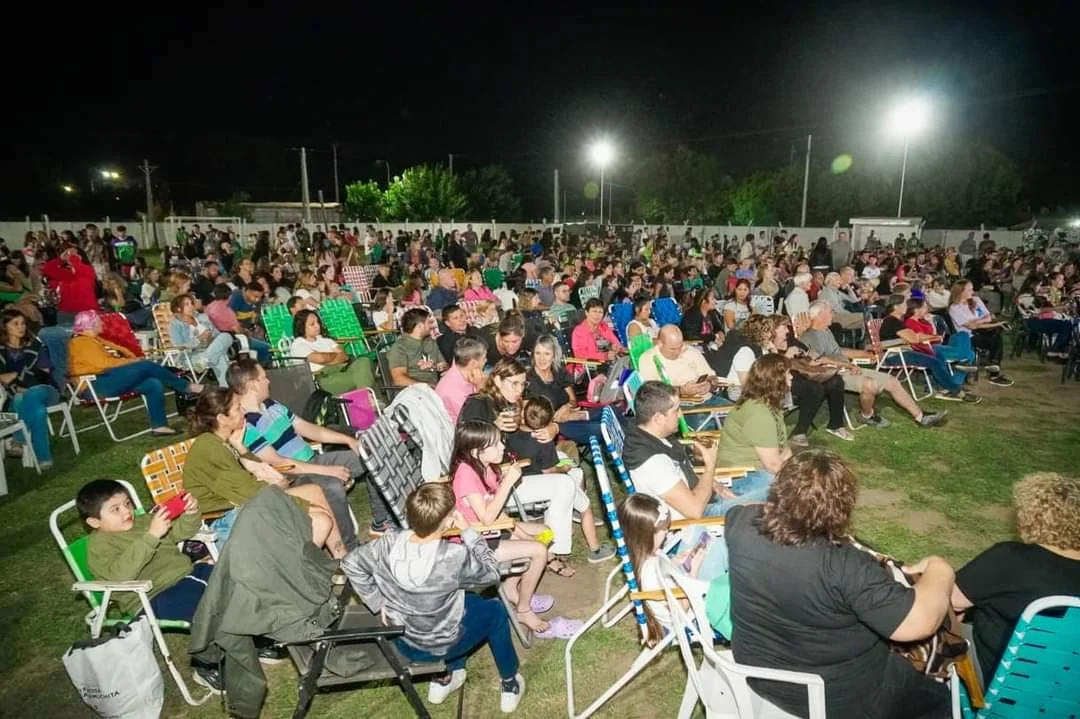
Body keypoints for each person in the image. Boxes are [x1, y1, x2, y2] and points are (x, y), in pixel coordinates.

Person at [726, 450, 954, 719]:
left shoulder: (739, 525)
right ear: (842, 508)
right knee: (940, 700)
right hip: (839, 698)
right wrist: (941, 569)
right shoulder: (846, 567)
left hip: (757, 672)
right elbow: (919, 622)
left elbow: (750, 511)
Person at [343, 482, 526, 712]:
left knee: (466, 602)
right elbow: (491, 573)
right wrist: (469, 532)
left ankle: (444, 678)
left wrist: (377, 602)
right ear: (449, 521)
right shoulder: (452, 556)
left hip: (403, 640)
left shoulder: (386, 543)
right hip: (442, 645)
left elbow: (350, 563)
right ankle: (510, 683)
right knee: (496, 610)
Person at [228, 358, 391, 545]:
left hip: (314, 461)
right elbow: (279, 463)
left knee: (370, 455)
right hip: (294, 476)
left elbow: (309, 429)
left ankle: (380, 521)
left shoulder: (271, 405)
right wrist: (326, 470)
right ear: (253, 385)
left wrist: (348, 440)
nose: (268, 381)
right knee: (331, 487)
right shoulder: (246, 424)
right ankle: (350, 548)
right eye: (264, 378)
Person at [181, 386, 346, 555]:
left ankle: (342, 559)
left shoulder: (227, 440)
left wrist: (242, 449)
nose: (243, 410)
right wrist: (278, 485)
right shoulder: (209, 448)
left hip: (245, 505)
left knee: (314, 493)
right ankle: (302, 571)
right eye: (238, 407)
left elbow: (257, 475)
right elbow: (249, 493)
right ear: (222, 418)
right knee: (319, 520)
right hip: (224, 519)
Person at [458, 359, 589, 572]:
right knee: (563, 484)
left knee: (568, 467)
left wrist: (552, 428)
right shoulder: (478, 404)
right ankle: (553, 553)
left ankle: (566, 524)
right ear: (498, 380)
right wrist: (493, 426)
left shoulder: (507, 402)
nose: (520, 390)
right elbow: (466, 444)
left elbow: (526, 424)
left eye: (523, 385)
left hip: (509, 468)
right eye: (515, 384)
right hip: (491, 486)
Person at [952, 472, 1080, 683]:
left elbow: (949, 600)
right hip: (1065, 695)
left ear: (1030, 517)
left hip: (998, 685)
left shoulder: (1011, 560)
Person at [450, 420, 555, 634]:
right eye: (495, 444)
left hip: (494, 529)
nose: (502, 447)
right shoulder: (466, 475)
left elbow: (498, 512)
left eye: (500, 442)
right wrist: (507, 483)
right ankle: (524, 610)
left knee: (544, 532)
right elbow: (487, 518)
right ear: (477, 451)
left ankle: (510, 588)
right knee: (539, 550)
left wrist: (520, 532)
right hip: (475, 542)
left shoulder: (487, 467)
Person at [621, 381, 768, 520]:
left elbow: (685, 475)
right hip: (704, 516)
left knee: (770, 480)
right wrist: (710, 465)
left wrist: (716, 486)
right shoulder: (653, 462)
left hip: (707, 495)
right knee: (776, 495)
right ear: (658, 418)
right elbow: (695, 510)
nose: (680, 415)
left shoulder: (652, 434)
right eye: (676, 410)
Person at [800, 301, 946, 429]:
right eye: (830, 312)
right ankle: (867, 415)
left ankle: (921, 416)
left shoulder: (826, 331)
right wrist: (849, 366)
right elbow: (820, 359)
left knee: (892, 381)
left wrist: (865, 354)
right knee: (870, 385)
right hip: (834, 375)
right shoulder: (809, 336)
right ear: (819, 315)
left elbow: (839, 351)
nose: (833, 314)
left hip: (847, 368)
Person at [79, 478, 208, 621]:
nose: (127, 511)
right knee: (210, 604)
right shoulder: (100, 545)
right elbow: (119, 576)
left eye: (127, 503)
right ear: (94, 522)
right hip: (154, 597)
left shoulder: (145, 521)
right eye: (116, 509)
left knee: (231, 576)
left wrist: (191, 513)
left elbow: (180, 532)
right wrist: (152, 536)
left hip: (188, 574)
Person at [617, 493, 730, 645]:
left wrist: (675, 562)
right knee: (720, 548)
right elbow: (681, 609)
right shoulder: (651, 573)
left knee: (697, 529)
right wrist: (693, 572)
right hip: (693, 617)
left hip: (682, 586)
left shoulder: (644, 554)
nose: (666, 532)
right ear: (645, 534)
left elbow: (664, 573)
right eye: (661, 530)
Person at [68, 310, 204, 436]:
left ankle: (159, 427)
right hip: (94, 385)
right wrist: (130, 363)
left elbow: (114, 357)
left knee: (153, 384)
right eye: (98, 321)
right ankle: (187, 387)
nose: (102, 323)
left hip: (106, 379)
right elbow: (104, 364)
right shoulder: (81, 342)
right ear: (90, 325)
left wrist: (132, 360)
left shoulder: (93, 340)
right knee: (146, 366)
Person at [877, 294, 978, 402]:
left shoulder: (896, 321)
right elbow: (914, 339)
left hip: (902, 352)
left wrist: (933, 336)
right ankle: (957, 392)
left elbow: (917, 336)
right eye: (904, 304)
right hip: (895, 355)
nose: (907, 306)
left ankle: (946, 387)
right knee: (934, 362)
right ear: (896, 307)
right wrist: (930, 337)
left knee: (938, 356)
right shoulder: (892, 321)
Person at [713, 354, 792, 488]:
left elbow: (784, 450)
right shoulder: (758, 412)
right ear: (776, 379)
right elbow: (773, 465)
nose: (791, 377)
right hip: (741, 476)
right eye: (788, 373)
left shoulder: (770, 405)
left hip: (759, 470)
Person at [0, 309, 60, 469]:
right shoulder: (1, 352)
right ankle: (44, 458)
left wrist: (17, 377)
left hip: (46, 390)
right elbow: (3, 378)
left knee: (32, 393)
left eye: (23, 323)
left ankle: (18, 439)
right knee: (36, 409)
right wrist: (22, 375)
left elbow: (45, 371)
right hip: (16, 397)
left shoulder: (35, 346)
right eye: (15, 324)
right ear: (4, 327)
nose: (21, 327)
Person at [288, 309, 375, 395]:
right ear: (302, 327)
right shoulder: (298, 344)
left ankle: (365, 400)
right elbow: (320, 358)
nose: (317, 326)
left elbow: (344, 357)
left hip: (341, 370)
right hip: (322, 379)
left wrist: (327, 359)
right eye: (312, 324)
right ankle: (367, 400)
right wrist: (335, 356)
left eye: (318, 322)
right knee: (362, 376)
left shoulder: (325, 340)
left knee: (364, 361)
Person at [947, 281, 1013, 386]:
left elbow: (989, 317)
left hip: (982, 331)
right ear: (961, 292)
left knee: (996, 334)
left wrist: (978, 322)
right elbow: (972, 326)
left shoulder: (976, 300)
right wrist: (981, 321)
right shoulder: (954, 308)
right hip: (968, 336)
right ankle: (993, 372)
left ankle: (993, 367)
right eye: (970, 289)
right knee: (996, 336)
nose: (973, 292)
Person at [168, 294, 234, 387]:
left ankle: (205, 359)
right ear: (178, 308)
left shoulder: (203, 317)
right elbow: (179, 346)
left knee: (226, 336)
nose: (191, 306)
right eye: (187, 304)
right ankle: (227, 389)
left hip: (208, 351)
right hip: (191, 355)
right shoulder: (175, 325)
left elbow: (218, 335)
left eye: (191, 303)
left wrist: (210, 338)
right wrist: (199, 339)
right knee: (219, 356)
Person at [387, 307, 447, 387]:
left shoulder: (430, 342)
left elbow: (443, 365)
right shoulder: (400, 347)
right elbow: (399, 379)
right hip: (412, 391)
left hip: (434, 389)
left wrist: (443, 368)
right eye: (429, 323)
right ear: (420, 326)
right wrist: (426, 386)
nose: (432, 326)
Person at [435, 337, 487, 424]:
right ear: (473, 363)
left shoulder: (463, 372)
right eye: (484, 358)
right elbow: (476, 419)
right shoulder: (455, 390)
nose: (486, 361)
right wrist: (480, 388)